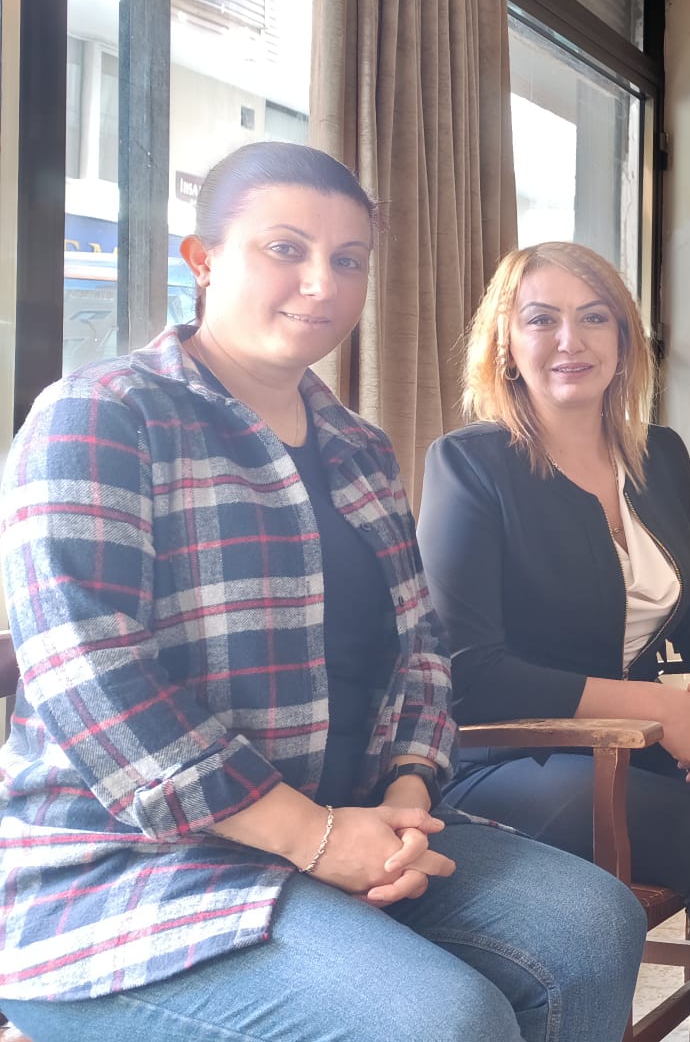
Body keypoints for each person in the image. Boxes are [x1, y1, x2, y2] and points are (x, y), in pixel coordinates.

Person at [0, 144, 645, 1042]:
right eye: (285, 249)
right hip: (139, 870)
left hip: (353, 823)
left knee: (595, 925)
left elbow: (423, 655)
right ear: (203, 259)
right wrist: (312, 836)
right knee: (444, 1020)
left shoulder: (359, 447)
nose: (321, 283)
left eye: (348, 260)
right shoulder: (102, 413)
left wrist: (410, 792)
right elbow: (92, 677)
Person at [419, 242, 690, 1042]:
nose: (569, 341)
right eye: (541, 320)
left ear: (623, 340)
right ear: (506, 341)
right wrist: (663, 709)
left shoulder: (660, 456)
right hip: (509, 757)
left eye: (593, 318)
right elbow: (468, 674)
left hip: (636, 742)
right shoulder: (470, 466)